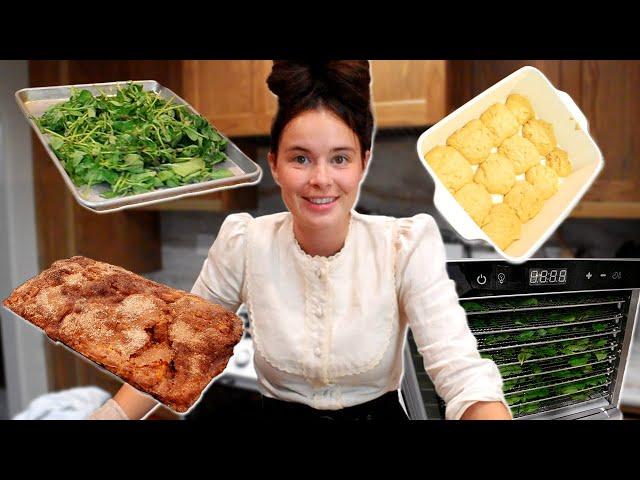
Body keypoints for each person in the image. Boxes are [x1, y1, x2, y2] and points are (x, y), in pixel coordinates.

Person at [89, 60, 512, 421]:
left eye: (340, 158)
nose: (320, 179)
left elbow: (459, 370)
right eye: (300, 158)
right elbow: (179, 349)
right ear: (274, 164)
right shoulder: (245, 242)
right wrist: (109, 415)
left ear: (363, 163)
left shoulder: (404, 245)